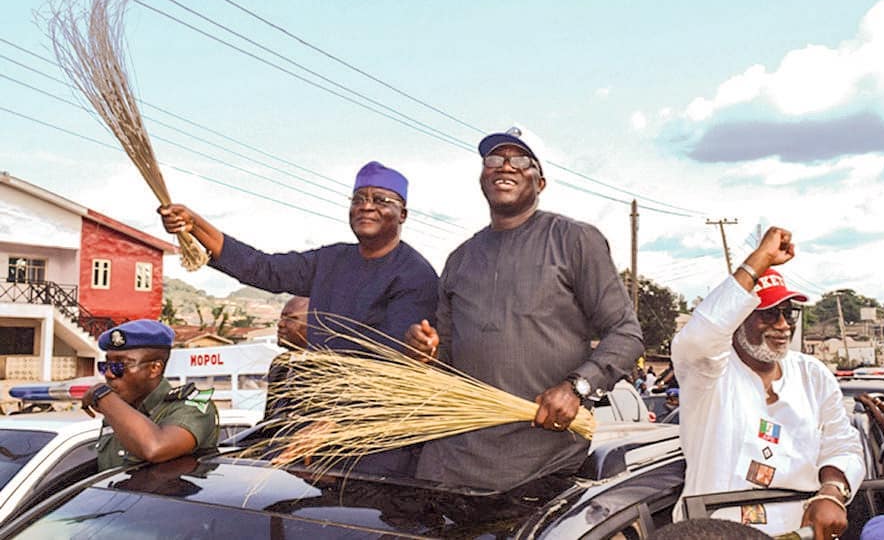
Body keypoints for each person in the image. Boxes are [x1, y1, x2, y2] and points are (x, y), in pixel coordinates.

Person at [405, 127, 643, 492]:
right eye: (494, 159)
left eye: (520, 160)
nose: (506, 167)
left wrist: (577, 387)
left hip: (539, 465)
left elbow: (626, 333)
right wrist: (425, 353)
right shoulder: (460, 259)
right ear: (482, 175)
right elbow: (446, 363)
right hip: (453, 464)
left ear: (541, 182)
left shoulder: (574, 240)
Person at [671, 227, 864, 538]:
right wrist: (760, 258)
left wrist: (831, 492)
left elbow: (843, 445)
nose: (783, 325)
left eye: (789, 313)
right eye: (769, 314)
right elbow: (698, 337)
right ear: (738, 318)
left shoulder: (812, 375)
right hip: (715, 532)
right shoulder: (710, 372)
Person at [159, 161, 438, 350]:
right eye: (358, 199)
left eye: (380, 200)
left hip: (372, 414)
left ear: (402, 214)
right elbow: (262, 268)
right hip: (322, 397)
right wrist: (194, 225)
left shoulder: (415, 275)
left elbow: (392, 358)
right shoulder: (331, 260)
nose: (366, 206)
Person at [82, 319, 218, 471]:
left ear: (154, 368)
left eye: (119, 366)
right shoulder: (118, 409)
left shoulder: (191, 406)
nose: (108, 374)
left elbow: (155, 448)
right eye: (105, 365)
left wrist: (102, 394)